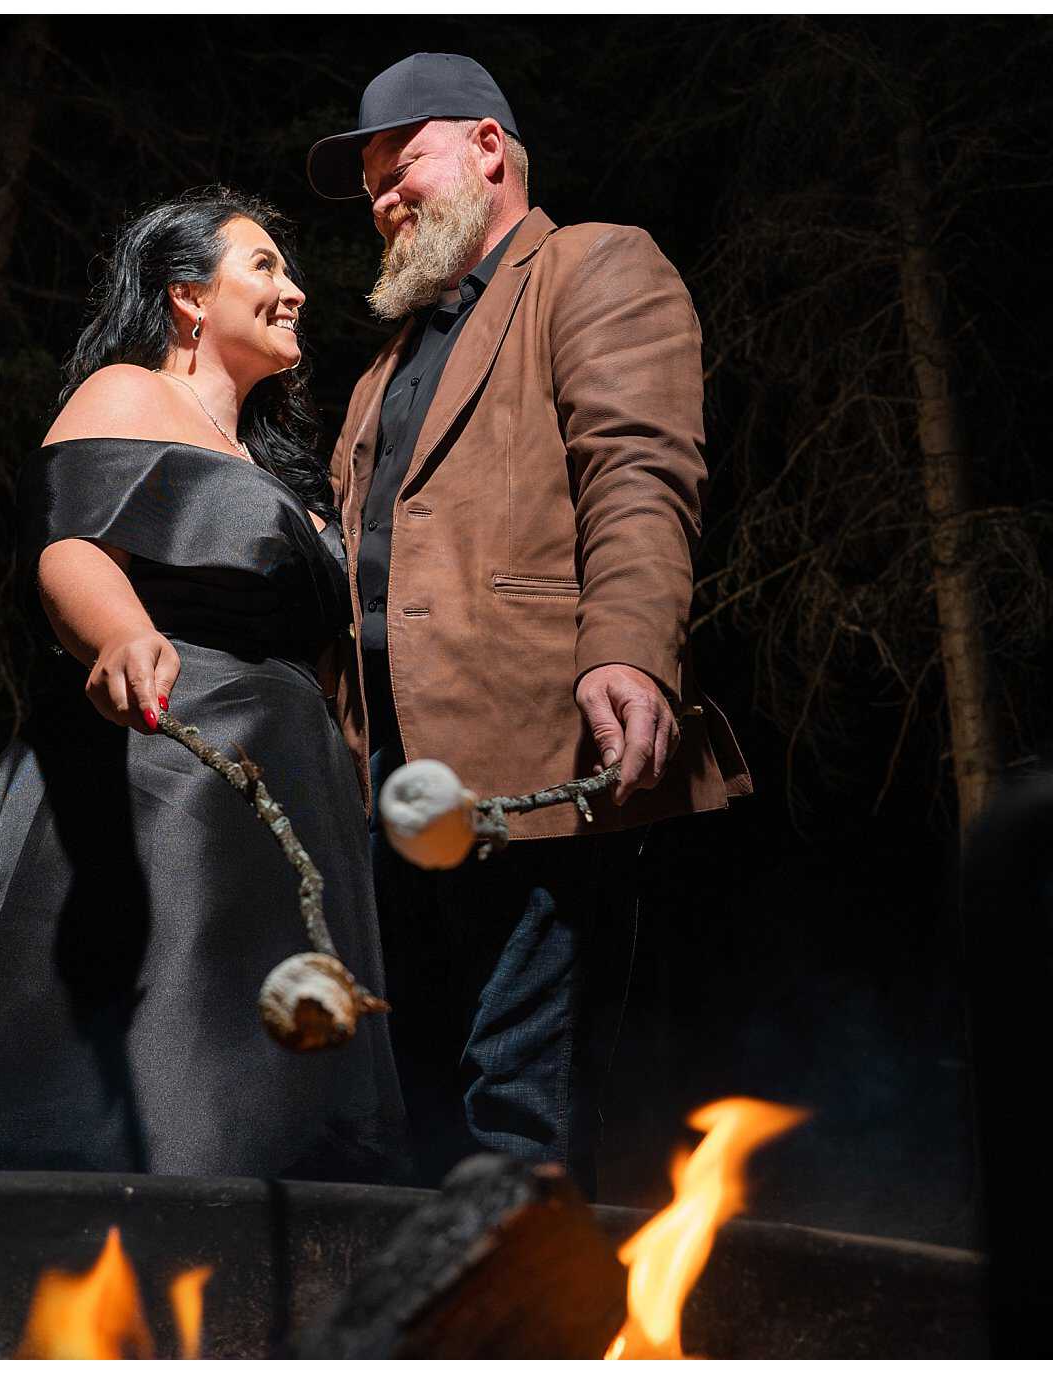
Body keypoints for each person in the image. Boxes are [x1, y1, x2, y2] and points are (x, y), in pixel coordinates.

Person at [0, 187, 408, 1182]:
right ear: (187, 296)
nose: (296, 291)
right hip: (167, 773)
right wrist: (125, 636)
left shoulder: (287, 474)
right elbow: (71, 549)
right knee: (176, 1054)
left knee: (285, 1077)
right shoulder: (126, 394)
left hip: (293, 790)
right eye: (264, 266)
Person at [305, 53, 751, 1197]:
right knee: (399, 1098)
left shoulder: (596, 262)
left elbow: (640, 471)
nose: (380, 199)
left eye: (397, 165)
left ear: (487, 148)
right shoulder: (381, 368)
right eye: (368, 186)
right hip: (386, 787)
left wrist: (626, 649)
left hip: (529, 752)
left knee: (519, 1092)